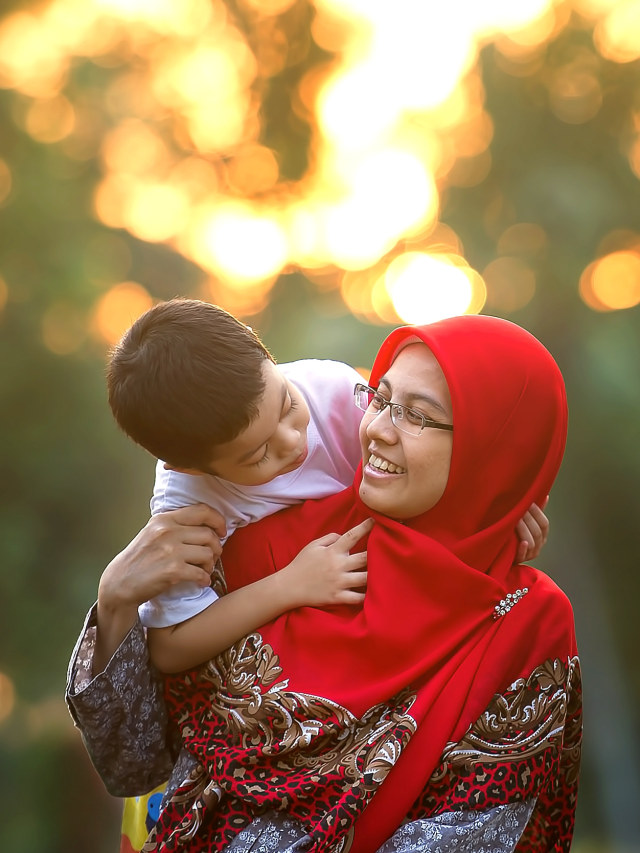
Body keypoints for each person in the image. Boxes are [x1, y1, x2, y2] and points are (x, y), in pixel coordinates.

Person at [66, 314, 578, 853]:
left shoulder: (526, 617)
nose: (375, 427)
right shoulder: (249, 546)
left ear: (494, 447)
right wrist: (115, 602)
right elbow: (138, 760)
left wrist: (498, 509)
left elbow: (479, 827)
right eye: (380, 399)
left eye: (418, 416)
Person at [106, 299, 546, 674]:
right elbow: (171, 646)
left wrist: (497, 506)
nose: (295, 441)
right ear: (192, 468)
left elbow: (423, 467)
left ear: (264, 351)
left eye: (286, 406)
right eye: (258, 455)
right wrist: (288, 586)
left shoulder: (332, 390)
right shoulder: (185, 505)